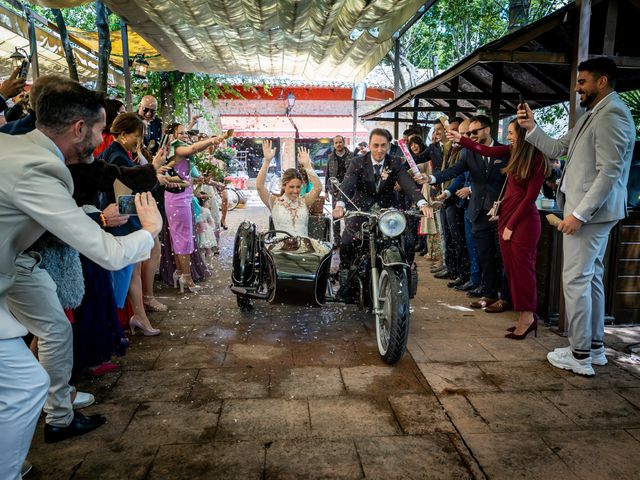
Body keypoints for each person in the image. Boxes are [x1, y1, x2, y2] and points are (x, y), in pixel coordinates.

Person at [0, 79, 162, 480]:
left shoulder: (15, 144)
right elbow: (107, 253)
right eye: (98, 128)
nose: (100, 137)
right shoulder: (38, 168)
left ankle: (59, 414)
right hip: (14, 263)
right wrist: (150, 230)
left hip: (20, 262)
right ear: (78, 128)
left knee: (55, 328)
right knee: (23, 386)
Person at [518, 56, 635, 376]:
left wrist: (579, 215)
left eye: (582, 81)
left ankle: (580, 355)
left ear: (602, 81)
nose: (577, 87)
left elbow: (608, 174)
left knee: (576, 281)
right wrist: (532, 128)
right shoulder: (592, 115)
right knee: (591, 279)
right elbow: (556, 148)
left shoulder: (613, 115)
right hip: (590, 214)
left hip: (590, 215)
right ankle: (594, 348)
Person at [447, 119, 550, 339]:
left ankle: (528, 318)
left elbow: (530, 198)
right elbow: (484, 148)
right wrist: (462, 139)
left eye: (512, 133)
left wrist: (511, 226)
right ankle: (523, 316)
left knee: (524, 272)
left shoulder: (538, 159)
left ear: (523, 135)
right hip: (506, 218)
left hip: (523, 222)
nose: (509, 136)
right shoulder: (512, 151)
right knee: (512, 271)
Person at [428, 115, 511, 312]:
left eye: (475, 131)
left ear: (487, 130)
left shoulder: (504, 151)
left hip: (499, 212)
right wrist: (431, 178)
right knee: (485, 255)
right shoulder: (467, 153)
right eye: (469, 133)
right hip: (477, 211)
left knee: (503, 258)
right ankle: (489, 294)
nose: (471, 135)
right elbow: (454, 171)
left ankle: (506, 298)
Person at [332, 128, 433, 286]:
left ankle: (405, 277)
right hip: (362, 210)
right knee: (346, 242)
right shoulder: (357, 162)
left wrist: (422, 203)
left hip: (389, 212)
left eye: (383, 145)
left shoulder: (395, 162)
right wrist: (340, 205)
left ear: (388, 146)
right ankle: (346, 278)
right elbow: (347, 185)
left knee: (408, 241)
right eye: (376, 145)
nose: (379, 150)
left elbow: (407, 183)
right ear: (370, 145)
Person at [164, 123, 220, 292]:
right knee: (184, 237)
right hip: (178, 199)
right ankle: (186, 277)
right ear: (172, 136)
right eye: (180, 133)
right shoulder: (176, 148)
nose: (184, 135)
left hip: (183, 197)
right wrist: (213, 140)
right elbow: (193, 148)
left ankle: (180, 272)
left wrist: (206, 179)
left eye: (185, 133)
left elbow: (191, 176)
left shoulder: (181, 153)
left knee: (181, 236)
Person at [256, 140, 327, 247]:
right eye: (291, 187)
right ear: (283, 186)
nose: (295, 191)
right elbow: (259, 187)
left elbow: (318, 188)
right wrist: (266, 161)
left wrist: (308, 166)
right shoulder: (274, 201)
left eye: (298, 187)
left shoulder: (304, 201)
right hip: (281, 250)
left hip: (304, 249)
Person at [324, 135, 354, 247]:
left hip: (349, 190)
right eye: (336, 143)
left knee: (349, 215)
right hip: (335, 190)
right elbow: (327, 174)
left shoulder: (351, 155)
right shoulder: (330, 157)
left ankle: (348, 239)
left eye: (340, 142)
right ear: (333, 144)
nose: (338, 144)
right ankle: (337, 240)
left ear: (344, 142)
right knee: (336, 216)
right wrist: (326, 191)